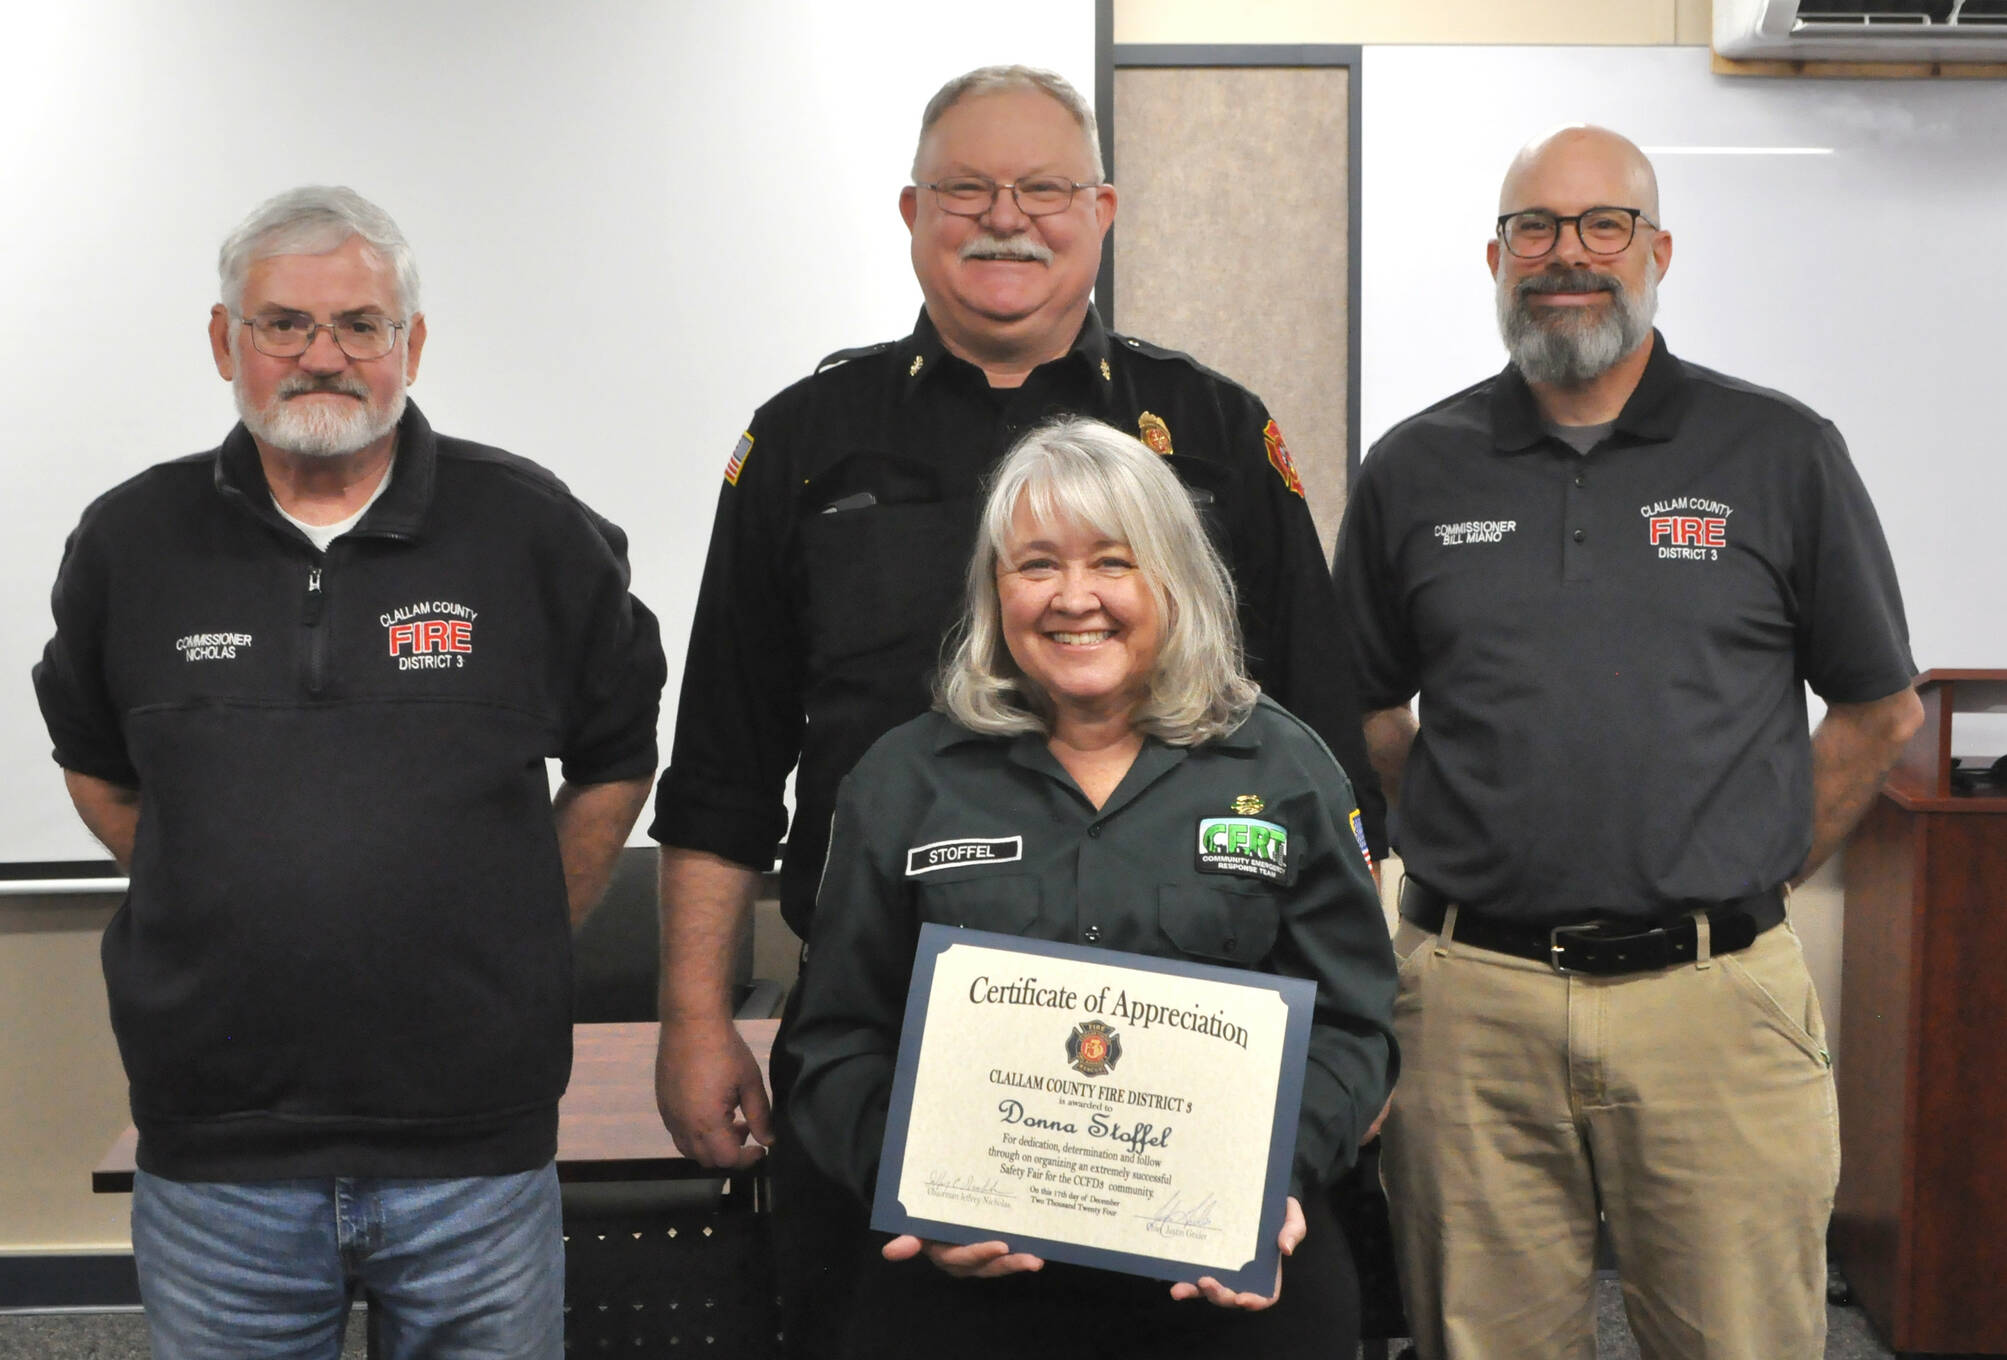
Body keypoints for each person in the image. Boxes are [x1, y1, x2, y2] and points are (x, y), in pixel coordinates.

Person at [648, 63, 1388, 1357]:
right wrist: (698, 1019)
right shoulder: (806, 441)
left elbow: (1329, 770)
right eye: (967, 190)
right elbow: (722, 767)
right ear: (911, 211)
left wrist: (1327, 1112)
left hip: (1198, 1110)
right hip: (897, 1058)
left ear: (1101, 209)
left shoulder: (1213, 432)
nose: (1007, 217)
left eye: (1043, 188)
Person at [32, 185, 665, 1357]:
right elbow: (95, 765)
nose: (322, 357)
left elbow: (618, 757)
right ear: (226, 340)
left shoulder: (528, 529)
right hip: (220, 1158)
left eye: (360, 326)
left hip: (473, 1154)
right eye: (283, 324)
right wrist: (209, 884)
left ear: (410, 344)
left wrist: (526, 915)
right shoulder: (132, 541)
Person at [1332, 125, 1924, 1360]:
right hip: (1470, 1011)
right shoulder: (1412, 468)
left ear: (1656, 250)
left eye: (1602, 226)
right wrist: (1485, 834)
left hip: (1713, 1008)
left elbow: (1878, 712)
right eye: (1534, 230)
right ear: (1493, 258)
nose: (1567, 257)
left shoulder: (1778, 452)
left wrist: (1748, 863)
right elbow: (1370, 716)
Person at [781, 416, 1398, 1360]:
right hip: (969, 1300)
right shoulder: (903, 781)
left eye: (1113, 562)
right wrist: (911, 1181)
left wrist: (1269, 1177)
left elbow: (1355, 1029)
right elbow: (836, 1041)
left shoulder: (1286, 769)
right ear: (996, 588)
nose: (1076, 600)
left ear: (1172, 579)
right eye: (1036, 566)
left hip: (1227, 1286)